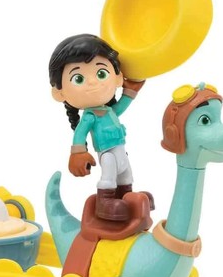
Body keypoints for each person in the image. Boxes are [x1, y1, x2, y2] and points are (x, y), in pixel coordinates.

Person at [49, 33, 151, 221]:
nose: (92, 82)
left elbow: (119, 108)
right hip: (107, 153)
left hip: (120, 150)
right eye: (78, 78)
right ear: (59, 93)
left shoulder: (109, 111)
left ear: (118, 78)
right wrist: (78, 153)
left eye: (101, 73)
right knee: (109, 172)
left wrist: (130, 91)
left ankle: (127, 196)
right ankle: (105, 202)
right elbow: (80, 133)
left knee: (126, 173)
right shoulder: (89, 117)